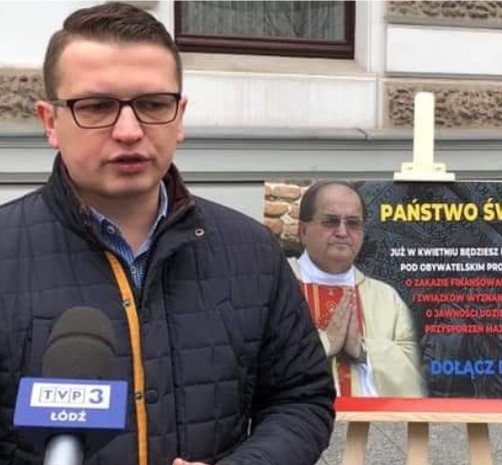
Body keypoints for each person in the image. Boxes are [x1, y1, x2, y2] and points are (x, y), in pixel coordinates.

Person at [0, 3, 335, 465]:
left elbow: (300, 399)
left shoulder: (251, 251)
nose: (129, 131)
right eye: (96, 107)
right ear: (50, 122)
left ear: (179, 116)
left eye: (153, 104)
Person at [288, 180, 426, 397]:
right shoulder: (277, 287)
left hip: (371, 419)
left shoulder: (386, 298)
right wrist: (325, 343)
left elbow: (414, 374)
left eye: (353, 223)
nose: (342, 232)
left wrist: (362, 350)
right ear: (303, 231)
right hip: (297, 417)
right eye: (331, 221)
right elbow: (258, 359)